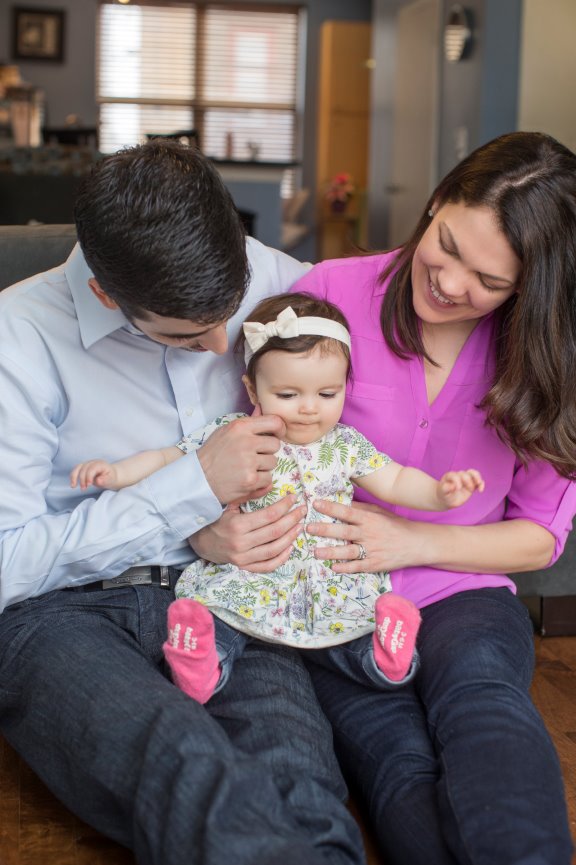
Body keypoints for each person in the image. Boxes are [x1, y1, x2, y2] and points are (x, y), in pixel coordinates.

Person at [190, 131, 576, 865]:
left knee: (483, 698)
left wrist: (415, 541)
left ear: (527, 286)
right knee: (396, 759)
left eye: (490, 281)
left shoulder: (545, 356)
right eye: (450, 245)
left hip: (461, 591)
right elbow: (229, 441)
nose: (454, 283)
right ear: (435, 203)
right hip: (330, 611)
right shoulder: (330, 296)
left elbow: (539, 537)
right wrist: (211, 533)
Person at [0, 139, 369, 865]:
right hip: (60, 613)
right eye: (182, 333)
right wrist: (190, 492)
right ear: (108, 293)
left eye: (226, 321)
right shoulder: (18, 336)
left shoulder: (276, 278)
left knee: (305, 784)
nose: (214, 347)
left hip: (232, 597)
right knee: (186, 764)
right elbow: (8, 561)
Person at [70, 291, 484, 702]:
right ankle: (199, 657)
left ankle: (386, 651)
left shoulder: (347, 445)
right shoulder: (235, 434)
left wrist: (439, 493)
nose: (308, 409)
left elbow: (395, 482)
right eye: (288, 395)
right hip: (252, 577)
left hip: (331, 584)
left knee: (353, 640)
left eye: (327, 394)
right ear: (252, 389)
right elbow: (170, 458)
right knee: (223, 620)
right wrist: (118, 473)